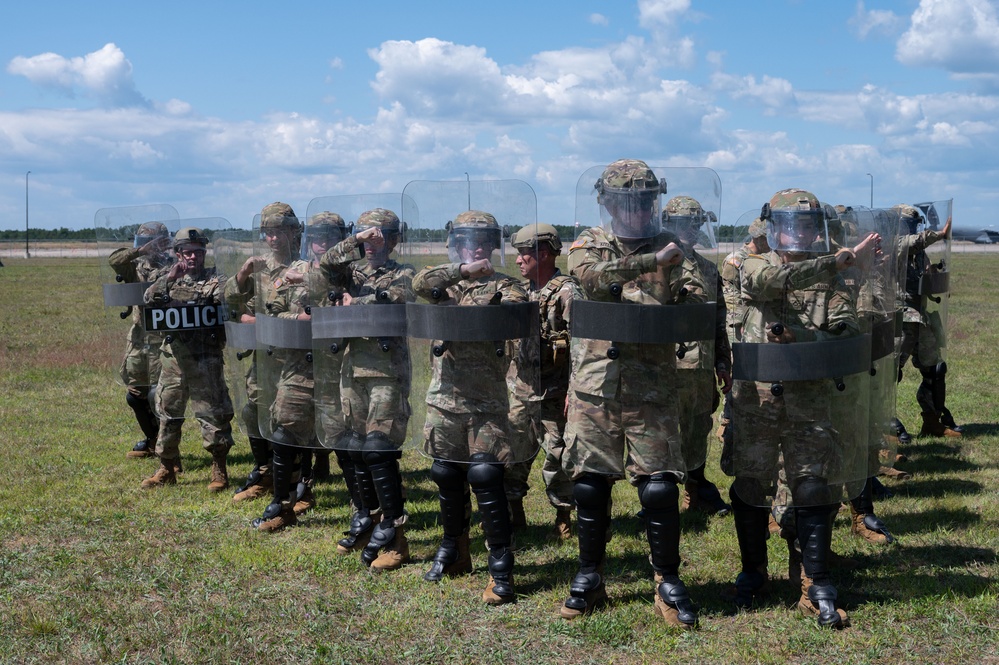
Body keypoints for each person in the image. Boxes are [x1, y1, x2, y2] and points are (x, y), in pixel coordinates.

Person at [727, 188, 880, 629]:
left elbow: (844, 328)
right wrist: (835, 261)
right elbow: (763, 284)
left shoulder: (836, 276)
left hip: (809, 397)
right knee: (751, 484)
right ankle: (753, 571)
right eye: (792, 224)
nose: (800, 233)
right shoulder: (751, 261)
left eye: (809, 226)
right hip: (755, 396)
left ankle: (816, 584)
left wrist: (805, 341)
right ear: (773, 226)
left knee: (813, 486)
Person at [560, 159, 702, 628]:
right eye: (625, 200)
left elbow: (695, 306)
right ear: (606, 202)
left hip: (652, 388)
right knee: (589, 485)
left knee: (659, 488)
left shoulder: (674, 248)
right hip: (594, 387)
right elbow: (592, 277)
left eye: (644, 200)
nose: (636, 209)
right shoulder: (588, 245)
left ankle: (667, 580)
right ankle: (589, 576)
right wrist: (649, 269)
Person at [414, 210, 530, 606]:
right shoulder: (445, 282)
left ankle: (500, 564)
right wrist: (461, 271)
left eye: (484, 241)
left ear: (495, 245)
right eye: (468, 240)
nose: (477, 247)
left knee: (485, 474)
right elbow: (420, 283)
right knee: (445, 472)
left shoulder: (508, 287)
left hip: (485, 400)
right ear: (456, 246)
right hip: (443, 396)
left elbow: (509, 318)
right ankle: (454, 549)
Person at [318, 208, 414, 571]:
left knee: (379, 450)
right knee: (354, 449)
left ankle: (396, 536)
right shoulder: (351, 271)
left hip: (387, 371)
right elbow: (325, 267)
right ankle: (368, 519)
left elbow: (397, 296)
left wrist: (354, 303)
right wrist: (354, 241)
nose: (374, 243)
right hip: (351, 368)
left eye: (381, 236)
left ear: (394, 239)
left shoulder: (404, 272)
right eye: (368, 236)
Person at [140, 226, 235, 491]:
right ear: (177, 253)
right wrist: (169, 278)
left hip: (206, 358)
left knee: (213, 414)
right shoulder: (167, 277)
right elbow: (149, 299)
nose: (192, 258)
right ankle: (167, 467)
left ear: (204, 253)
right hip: (174, 358)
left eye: (198, 252)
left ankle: (219, 469)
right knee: (168, 412)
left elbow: (226, 297)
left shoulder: (216, 278)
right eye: (187, 253)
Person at [504, 223, 583, 540]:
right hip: (520, 392)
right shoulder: (517, 292)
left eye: (525, 254)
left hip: (555, 393)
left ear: (545, 253)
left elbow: (581, 345)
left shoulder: (567, 292)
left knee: (559, 457)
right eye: (518, 254)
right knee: (512, 454)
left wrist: (574, 390)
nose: (519, 260)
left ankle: (563, 516)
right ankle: (513, 511)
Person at [662, 196, 732, 516]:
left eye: (694, 224)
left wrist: (722, 362)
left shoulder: (707, 268)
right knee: (665, 431)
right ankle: (660, 496)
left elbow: (718, 319)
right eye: (681, 224)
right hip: (668, 365)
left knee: (698, 427)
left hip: (701, 367)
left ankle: (696, 490)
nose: (689, 230)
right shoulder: (659, 263)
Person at [107, 222, 174, 460]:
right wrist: (141, 252)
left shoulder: (174, 266)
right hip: (138, 340)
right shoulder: (134, 266)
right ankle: (152, 440)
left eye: (153, 242)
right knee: (134, 395)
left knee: (158, 395)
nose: (148, 246)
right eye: (143, 241)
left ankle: (167, 448)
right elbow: (115, 260)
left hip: (164, 340)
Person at [894, 204, 960, 438]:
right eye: (907, 226)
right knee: (889, 374)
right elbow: (912, 243)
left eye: (914, 226)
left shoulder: (919, 254)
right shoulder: (895, 245)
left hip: (921, 316)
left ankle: (933, 421)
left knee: (935, 369)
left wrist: (937, 281)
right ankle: (886, 427)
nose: (911, 231)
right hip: (899, 318)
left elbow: (926, 276)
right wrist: (940, 234)